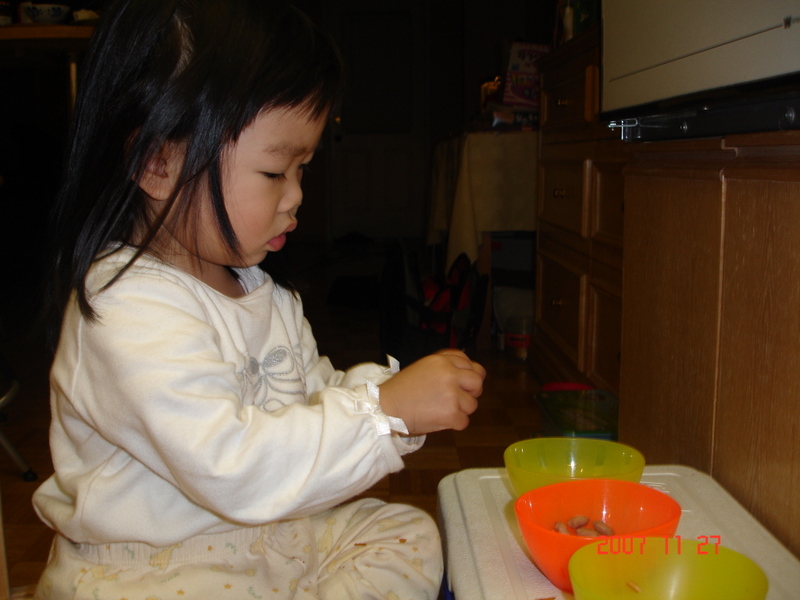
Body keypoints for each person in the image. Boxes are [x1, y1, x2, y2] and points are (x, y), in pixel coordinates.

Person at [31, 1, 485, 598]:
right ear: (157, 162)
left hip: (260, 541)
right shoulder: (124, 308)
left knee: (407, 532)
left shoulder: (258, 289)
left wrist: (388, 398)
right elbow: (232, 466)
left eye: (303, 169)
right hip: (152, 569)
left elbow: (311, 402)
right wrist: (382, 415)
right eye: (275, 173)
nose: (295, 197)